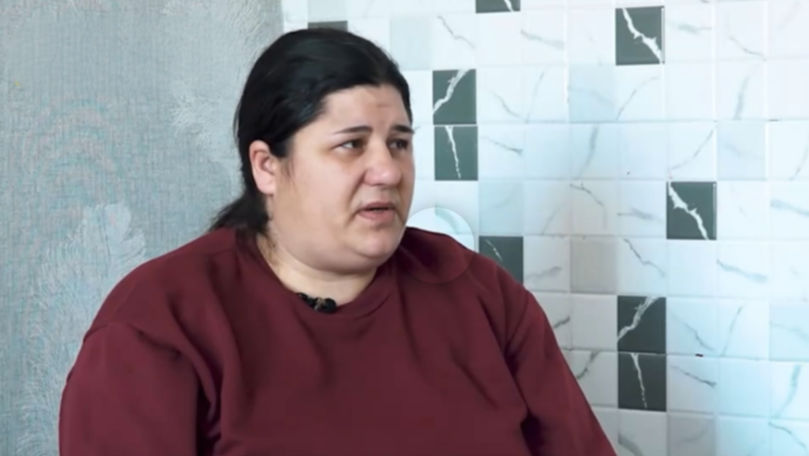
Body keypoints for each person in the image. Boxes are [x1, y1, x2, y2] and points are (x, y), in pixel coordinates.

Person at [59, 28, 614, 455]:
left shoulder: (479, 292)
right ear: (267, 166)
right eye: (351, 145)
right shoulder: (160, 323)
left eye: (399, 143)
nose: (388, 171)